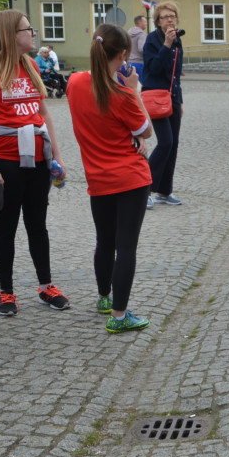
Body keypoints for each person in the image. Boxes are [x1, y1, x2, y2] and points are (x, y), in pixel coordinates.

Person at [0, 10, 70, 316]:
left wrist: (58, 157)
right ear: (12, 34)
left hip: (38, 157)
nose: (34, 34)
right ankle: (6, 291)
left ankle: (46, 286)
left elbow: (44, 113)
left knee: (38, 224)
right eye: (29, 29)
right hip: (5, 159)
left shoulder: (28, 64)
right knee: (6, 226)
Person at [66, 23, 153, 333]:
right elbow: (145, 131)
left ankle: (104, 298)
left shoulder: (74, 83)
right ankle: (119, 316)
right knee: (126, 246)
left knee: (104, 240)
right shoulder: (121, 94)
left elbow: (102, 122)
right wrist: (134, 92)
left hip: (98, 178)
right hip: (130, 178)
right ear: (123, 55)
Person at [142, 0, 185, 208]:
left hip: (173, 97)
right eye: (165, 17)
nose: (170, 19)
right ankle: (144, 188)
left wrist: (180, 100)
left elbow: (176, 74)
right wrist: (166, 45)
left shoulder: (178, 40)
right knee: (165, 142)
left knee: (174, 144)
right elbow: (153, 68)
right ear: (158, 21)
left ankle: (164, 191)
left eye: (173, 16)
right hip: (156, 96)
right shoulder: (152, 39)